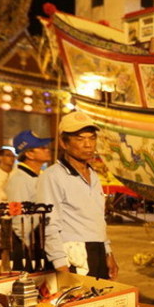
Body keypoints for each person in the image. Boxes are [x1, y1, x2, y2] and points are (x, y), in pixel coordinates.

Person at [37, 111, 118, 280]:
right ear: (64, 143)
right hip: (73, 255)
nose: (88, 145)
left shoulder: (93, 174)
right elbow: (48, 223)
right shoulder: (53, 176)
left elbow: (97, 219)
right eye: (80, 139)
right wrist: (59, 263)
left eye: (92, 138)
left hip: (97, 251)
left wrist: (107, 251)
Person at [6, 130, 54, 271]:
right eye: (42, 147)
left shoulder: (39, 176)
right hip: (28, 244)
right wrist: (28, 245)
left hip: (41, 239)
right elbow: (17, 214)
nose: (47, 150)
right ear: (29, 154)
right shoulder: (18, 180)